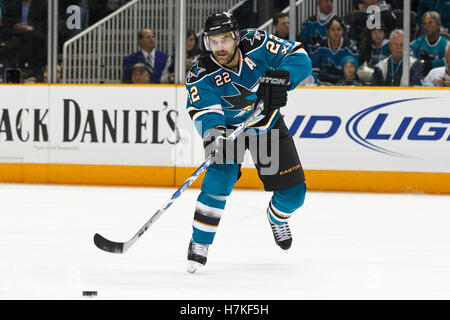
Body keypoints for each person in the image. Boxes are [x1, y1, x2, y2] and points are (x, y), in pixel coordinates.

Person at [184, 11, 312, 273]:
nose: (219, 48)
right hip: (228, 130)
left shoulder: (258, 43)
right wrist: (215, 135)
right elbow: (206, 113)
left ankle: (276, 217)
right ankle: (199, 242)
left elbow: (301, 59)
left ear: (236, 37)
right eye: (213, 41)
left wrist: (281, 78)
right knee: (218, 181)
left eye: (225, 40)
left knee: (294, 195)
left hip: (265, 125)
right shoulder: (200, 73)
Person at [2, 0, 47, 78]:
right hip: (16, 35)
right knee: (9, 44)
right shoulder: (13, 5)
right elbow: (6, 22)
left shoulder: (41, 5)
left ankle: (33, 71)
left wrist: (32, 28)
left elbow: (45, 23)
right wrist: (15, 27)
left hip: (34, 35)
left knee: (36, 39)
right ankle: (11, 71)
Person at [310, 17, 359, 84]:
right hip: (322, 83)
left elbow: (353, 72)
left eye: (339, 29)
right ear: (327, 31)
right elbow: (314, 70)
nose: (336, 32)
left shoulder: (350, 48)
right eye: (332, 30)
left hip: (344, 83)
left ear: (343, 31)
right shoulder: (319, 47)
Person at [410, 11, 448, 77]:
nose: (426, 26)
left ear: (438, 25)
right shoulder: (417, 43)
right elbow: (409, 58)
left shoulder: (446, 44)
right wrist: (421, 62)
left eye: (430, 23)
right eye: (424, 23)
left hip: (441, 79)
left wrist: (430, 64)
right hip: (420, 78)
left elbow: (447, 62)